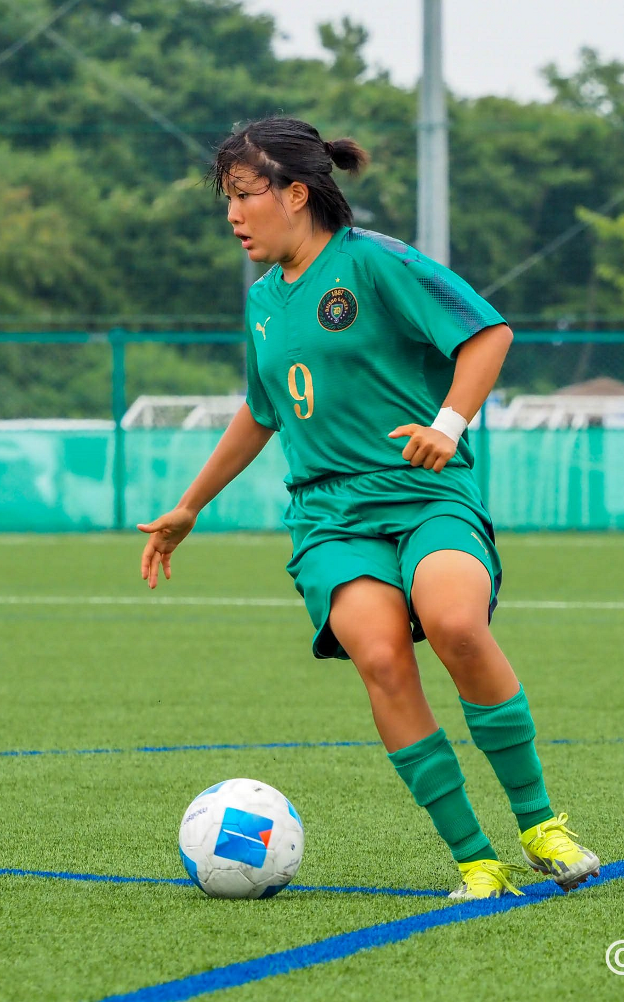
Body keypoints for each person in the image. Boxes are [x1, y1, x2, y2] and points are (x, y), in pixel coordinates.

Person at [136, 117, 599, 900]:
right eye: (226, 200)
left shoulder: (377, 264)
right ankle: (474, 861)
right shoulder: (261, 305)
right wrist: (189, 507)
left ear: (295, 192)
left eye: (244, 196)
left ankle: (540, 825)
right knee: (382, 659)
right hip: (329, 519)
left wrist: (448, 426)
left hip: (425, 492)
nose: (232, 215)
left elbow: (488, 335)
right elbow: (261, 411)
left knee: (455, 623)